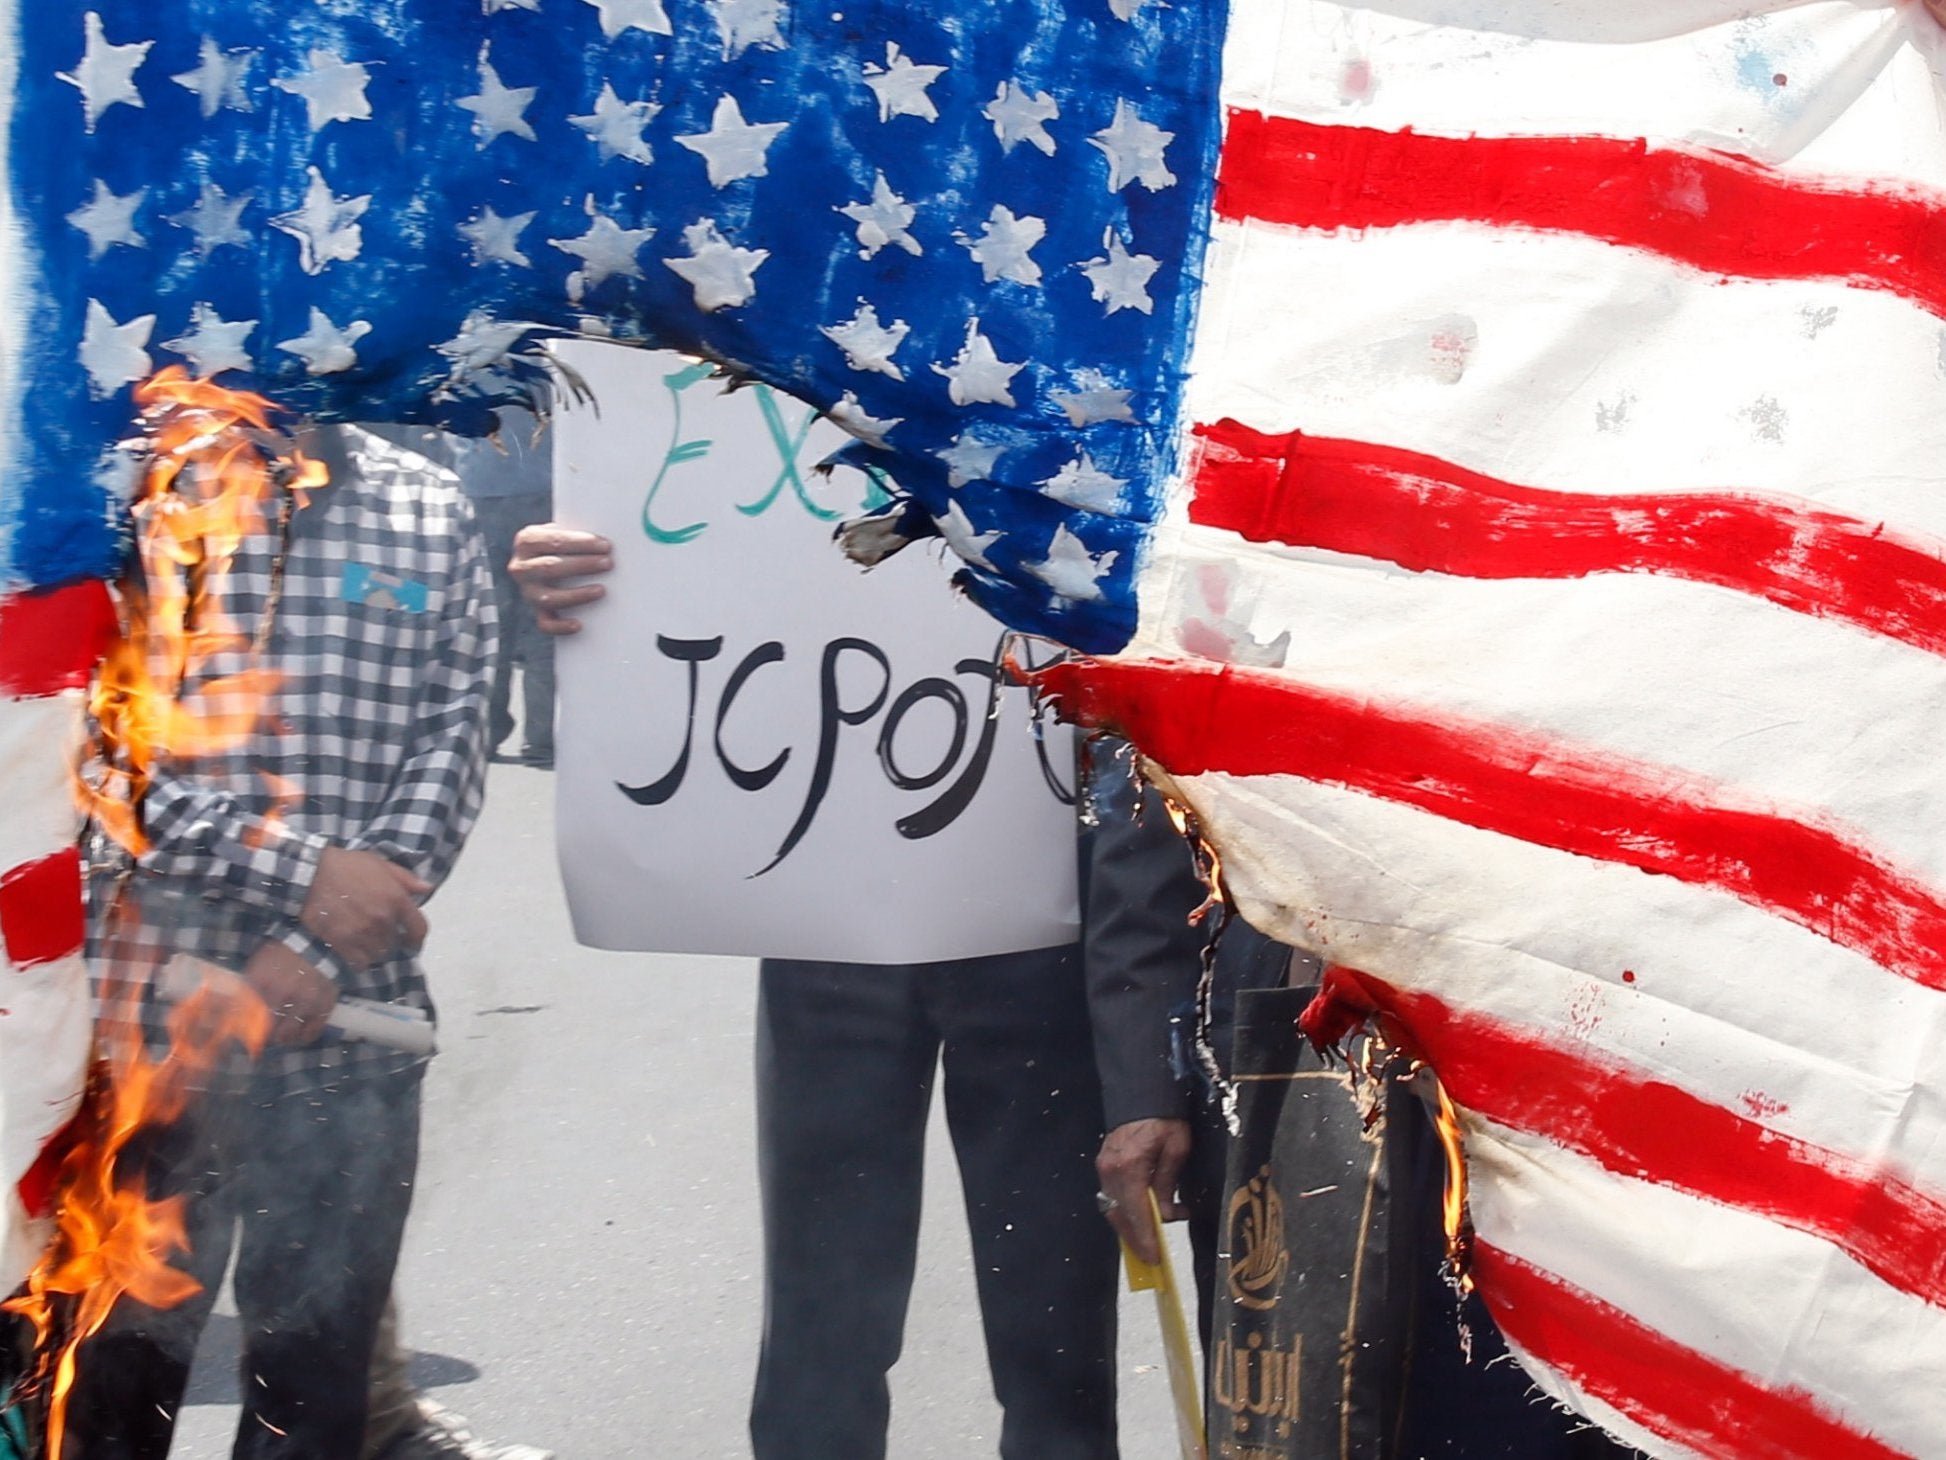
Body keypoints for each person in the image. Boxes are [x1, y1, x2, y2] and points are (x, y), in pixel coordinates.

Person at [511, 524, 1124, 1460]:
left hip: (1045, 915)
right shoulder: (789, 409)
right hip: (834, 916)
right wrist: (609, 579)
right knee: (823, 1328)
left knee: (1054, 1338)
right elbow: (697, 524)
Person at [68, 425, 498, 1459]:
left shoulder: (429, 505)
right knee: (109, 1391)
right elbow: (88, 751)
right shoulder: (125, 496)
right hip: (148, 1029)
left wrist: (319, 946)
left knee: (315, 1397)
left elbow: (458, 732)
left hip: (355, 1033)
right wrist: (304, 876)